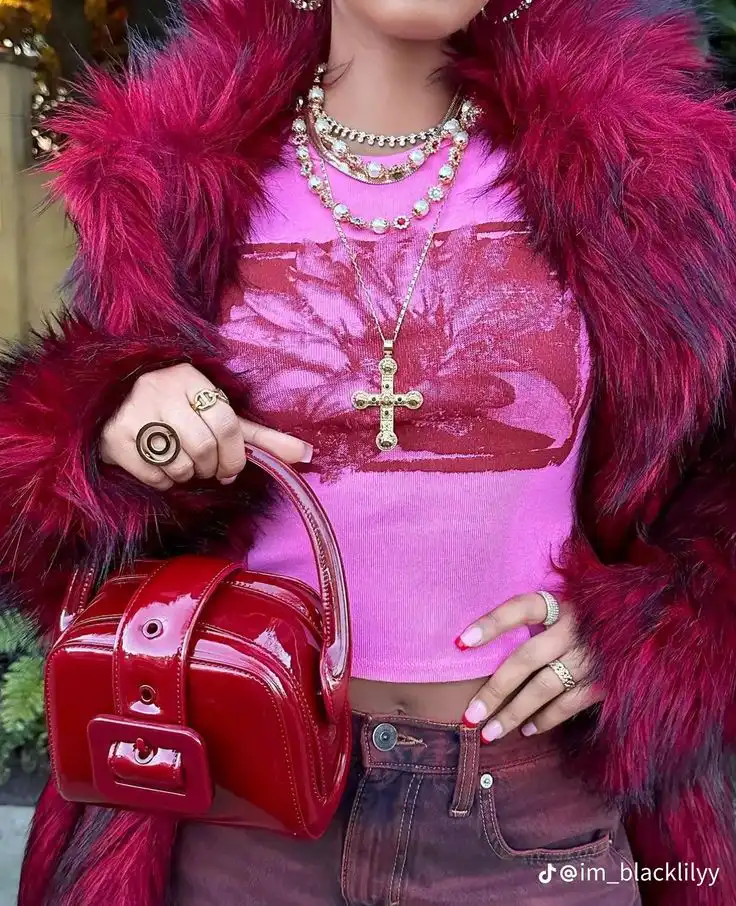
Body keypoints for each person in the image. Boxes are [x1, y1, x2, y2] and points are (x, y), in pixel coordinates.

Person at [3, 0, 736, 903]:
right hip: (237, 805)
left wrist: (662, 626)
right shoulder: (166, 179)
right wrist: (108, 423)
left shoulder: (643, 175)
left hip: (538, 818)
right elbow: (49, 534)